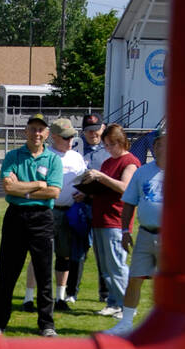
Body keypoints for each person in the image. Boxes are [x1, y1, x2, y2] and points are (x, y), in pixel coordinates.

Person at [0, 113, 63, 338]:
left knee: (44, 273)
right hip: (16, 217)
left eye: (41, 129)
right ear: (26, 131)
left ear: (47, 133)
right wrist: (36, 185)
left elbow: (53, 191)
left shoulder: (53, 160)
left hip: (42, 218)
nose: (37, 133)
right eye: (32, 129)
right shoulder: (13, 156)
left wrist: (23, 186)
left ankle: (46, 324)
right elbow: (8, 188)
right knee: (7, 272)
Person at [21, 116, 86, 315]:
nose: (70, 142)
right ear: (54, 137)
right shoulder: (46, 156)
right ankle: (29, 298)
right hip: (47, 211)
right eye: (65, 138)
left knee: (64, 256)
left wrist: (84, 193)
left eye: (72, 138)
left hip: (69, 212)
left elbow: (83, 180)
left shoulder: (76, 157)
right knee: (39, 256)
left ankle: (60, 296)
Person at [105, 131, 166, 335]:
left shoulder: (183, 172)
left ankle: (166, 321)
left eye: (164, 144)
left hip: (171, 237)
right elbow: (129, 203)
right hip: (146, 234)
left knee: (168, 281)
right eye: (157, 144)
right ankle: (126, 323)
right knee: (135, 278)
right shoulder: (142, 172)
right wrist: (124, 231)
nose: (160, 148)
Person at [77, 122, 140, 319]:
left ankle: (127, 305)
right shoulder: (107, 162)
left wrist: (101, 178)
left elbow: (125, 188)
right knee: (105, 265)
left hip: (116, 220)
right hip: (100, 218)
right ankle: (113, 303)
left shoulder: (129, 161)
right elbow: (106, 188)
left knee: (117, 264)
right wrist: (88, 190)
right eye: (106, 145)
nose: (109, 148)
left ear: (122, 142)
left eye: (112, 144)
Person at [72, 113, 111, 304]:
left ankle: (105, 293)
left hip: (101, 207)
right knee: (78, 251)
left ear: (103, 129)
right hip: (79, 207)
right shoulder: (76, 150)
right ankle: (72, 292)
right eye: (88, 131)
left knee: (102, 252)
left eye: (96, 130)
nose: (92, 134)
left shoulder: (110, 152)